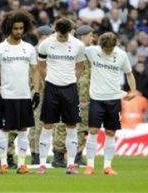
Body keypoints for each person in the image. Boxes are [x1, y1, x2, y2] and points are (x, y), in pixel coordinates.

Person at [0, 10, 40, 174]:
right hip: (6, 95)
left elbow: (35, 71)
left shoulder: (29, 48)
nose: (19, 31)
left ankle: (21, 165)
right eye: (15, 28)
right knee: (4, 130)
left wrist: (37, 92)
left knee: (23, 131)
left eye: (21, 28)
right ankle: (3, 164)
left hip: (24, 95)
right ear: (8, 29)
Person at [84, 32, 137, 175]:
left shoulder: (121, 55)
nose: (107, 51)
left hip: (114, 99)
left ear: (115, 45)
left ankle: (107, 166)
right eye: (105, 49)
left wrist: (133, 90)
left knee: (110, 132)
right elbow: (77, 47)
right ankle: (90, 165)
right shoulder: (92, 51)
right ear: (100, 44)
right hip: (96, 98)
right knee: (93, 131)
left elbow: (129, 73)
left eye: (110, 49)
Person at [37, 18, 86, 175]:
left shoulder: (78, 45)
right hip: (51, 87)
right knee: (47, 126)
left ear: (70, 31)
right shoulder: (46, 44)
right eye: (61, 35)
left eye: (66, 35)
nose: (63, 38)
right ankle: (42, 165)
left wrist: (71, 80)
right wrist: (49, 79)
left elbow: (80, 67)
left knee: (72, 126)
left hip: (70, 88)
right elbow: (41, 65)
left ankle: (71, 165)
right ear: (56, 31)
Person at [52, 25, 94, 167]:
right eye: (90, 35)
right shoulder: (73, 49)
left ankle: (77, 155)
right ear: (82, 36)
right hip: (70, 93)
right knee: (64, 125)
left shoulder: (90, 53)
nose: (92, 38)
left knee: (82, 127)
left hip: (85, 96)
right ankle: (58, 156)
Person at [28, 25, 55, 165]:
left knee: (37, 122)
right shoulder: (39, 51)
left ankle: (35, 152)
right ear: (44, 36)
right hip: (40, 89)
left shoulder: (35, 50)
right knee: (39, 122)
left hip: (37, 89)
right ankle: (36, 153)